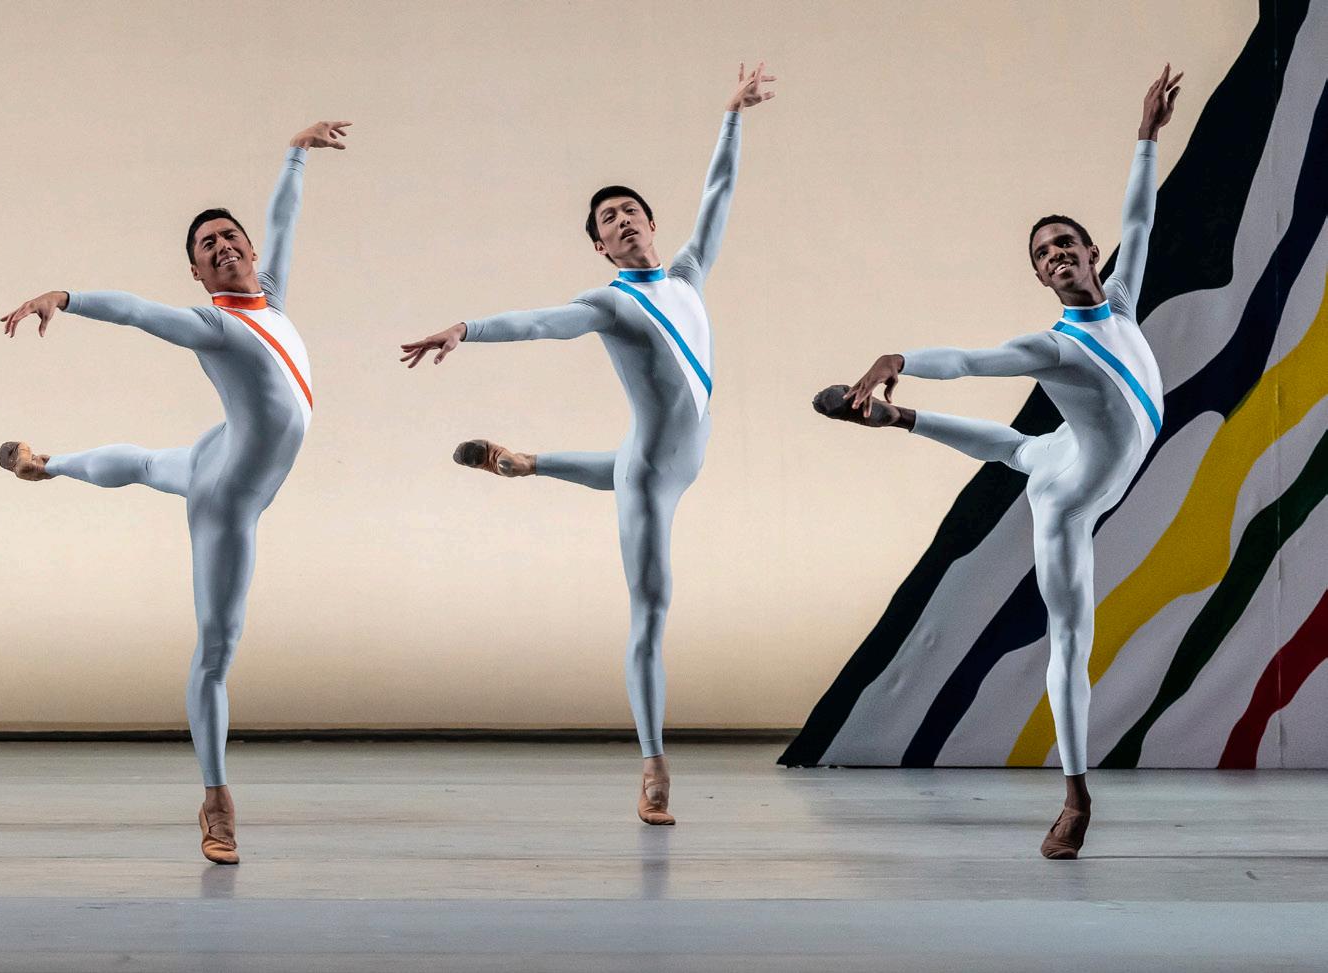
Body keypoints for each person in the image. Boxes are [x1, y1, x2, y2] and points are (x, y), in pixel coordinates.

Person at [812, 66, 1182, 859]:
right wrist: (900, 357)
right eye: (1043, 254)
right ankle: (1076, 797)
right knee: (1069, 637)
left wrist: (1146, 135)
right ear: (1041, 276)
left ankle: (896, 418)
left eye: (1065, 243)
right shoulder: (1052, 346)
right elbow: (972, 361)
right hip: (1070, 496)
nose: (1056, 255)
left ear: (1091, 252)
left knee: (1021, 448)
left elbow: (1140, 216)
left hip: (1069, 453)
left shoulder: (1121, 300)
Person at [397, 65, 777, 826]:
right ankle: (654, 765)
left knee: (623, 468)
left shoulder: (689, 274)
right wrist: (468, 328)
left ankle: (525, 461)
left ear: (651, 223)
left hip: (676, 459)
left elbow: (720, 193)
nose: (623, 219)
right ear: (602, 247)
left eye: (631, 209)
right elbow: (542, 322)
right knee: (652, 610)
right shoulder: (608, 302)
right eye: (609, 219)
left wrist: (732, 115)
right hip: (653, 474)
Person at [0, 119, 351, 863]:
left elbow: (285, 219)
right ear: (197, 272)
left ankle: (45, 465)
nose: (222, 247)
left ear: (249, 250)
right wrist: (68, 296)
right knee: (217, 648)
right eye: (206, 246)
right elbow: (136, 310)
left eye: (229, 237)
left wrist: (295, 153)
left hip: (216, 453)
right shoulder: (212, 326)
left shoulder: (273, 297)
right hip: (229, 501)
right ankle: (216, 800)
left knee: (148, 463)